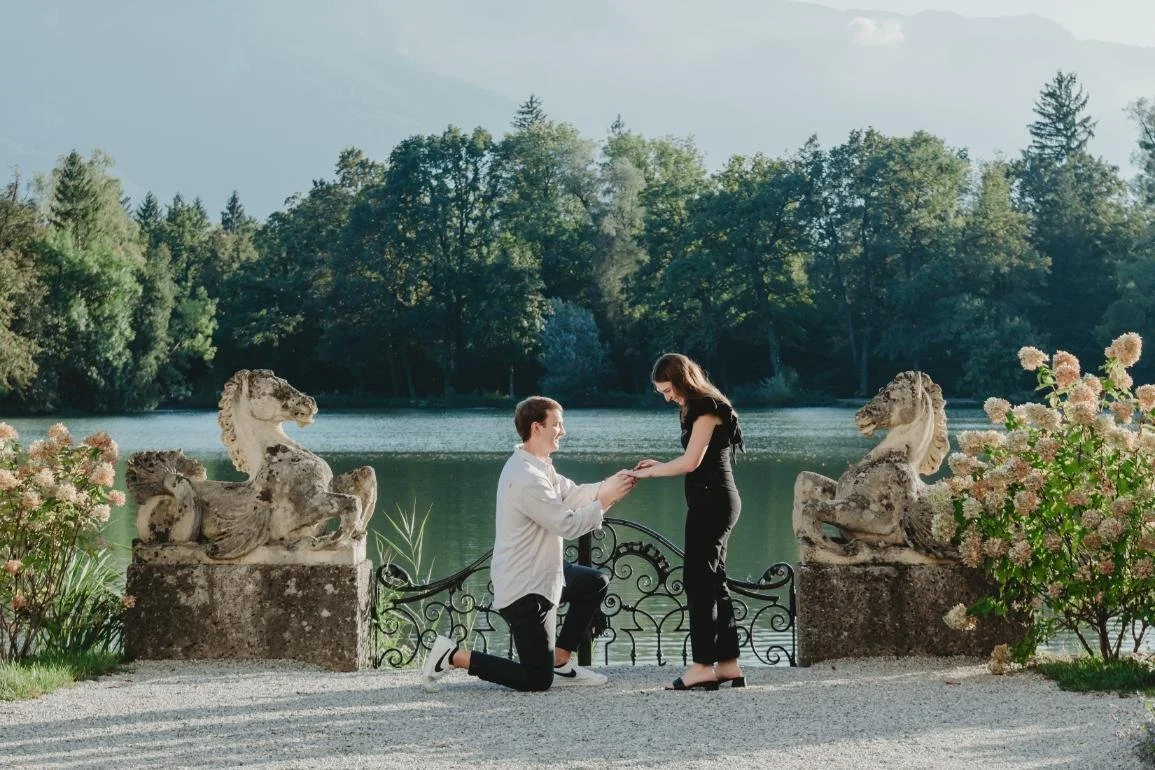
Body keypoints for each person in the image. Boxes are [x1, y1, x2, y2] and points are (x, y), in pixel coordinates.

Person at [421, 396, 635, 692]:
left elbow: (571, 494)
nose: (563, 431)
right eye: (558, 424)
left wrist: (613, 483)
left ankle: (560, 661)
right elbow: (567, 524)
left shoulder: (538, 465)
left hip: (545, 576)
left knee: (594, 582)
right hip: (524, 591)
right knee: (536, 679)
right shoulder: (526, 477)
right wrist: (606, 500)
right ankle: (454, 656)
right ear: (537, 427)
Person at [628, 353, 746, 691]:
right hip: (714, 501)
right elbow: (696, 458)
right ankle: (728, 665)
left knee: (697, 581)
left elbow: (692, 462)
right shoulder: (702, 406)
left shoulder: (705, 407)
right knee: (713, 581)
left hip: (713, 503)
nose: (667, 397)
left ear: (682, 381)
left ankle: (701, 666)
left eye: (668, 390)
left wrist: (649, 472)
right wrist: (660, 463)